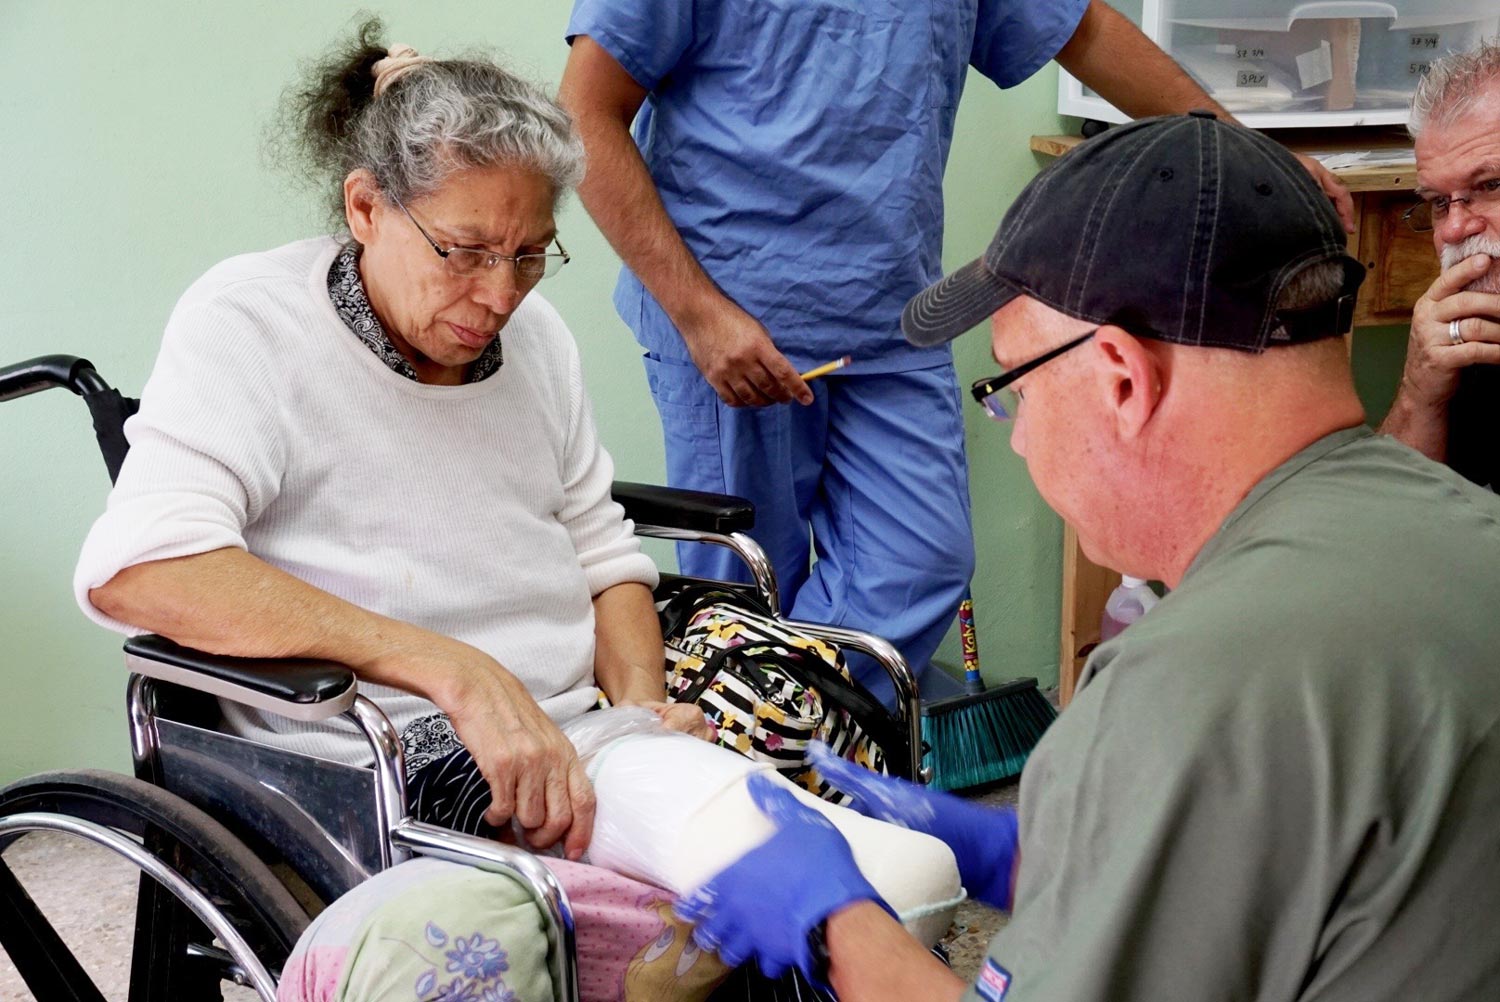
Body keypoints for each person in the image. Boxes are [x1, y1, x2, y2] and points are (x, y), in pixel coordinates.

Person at [672, 113, 1500, 1001]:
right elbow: (1285, 870)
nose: (1020, 439)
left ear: (1120, 377)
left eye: (1013, 388)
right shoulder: (1464, 525)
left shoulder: (1186, 684)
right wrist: (1037, 856)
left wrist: (833, 925)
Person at [557, 0, 1354, 702]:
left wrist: (1259, 163)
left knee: (922, 561)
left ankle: (776, 757)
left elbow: (1086, 31)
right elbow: (584, 115)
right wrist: (699, 315)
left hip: (890, 317)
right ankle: (757, 810)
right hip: (729, 322)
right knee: (741, 594)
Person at [73, 21, 709, 863]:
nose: (499, 295)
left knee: (817, 724)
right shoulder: (252, 324)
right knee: (724, 872)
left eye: (527, 256)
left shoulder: (541, 338)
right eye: (465, 251)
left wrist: (642, 713)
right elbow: (139, 570)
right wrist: (453, 669)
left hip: (580, 725)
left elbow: (602, 556)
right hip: (400, 758)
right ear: (366, 207)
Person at [1378, 40, 1500, 489]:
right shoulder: (1472, 320)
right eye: (1436, 202)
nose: (1453, 230)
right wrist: (1419, 394)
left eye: (1490, 184)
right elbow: (1393, 517)